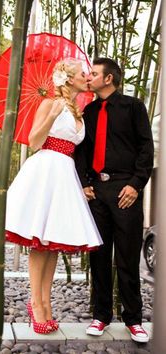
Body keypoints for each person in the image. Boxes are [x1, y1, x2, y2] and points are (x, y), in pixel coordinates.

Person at [5, 58, 103, 334]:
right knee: (40, 241)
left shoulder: (79, 110)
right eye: (82, 74)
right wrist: (50, 115)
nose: (87, 77)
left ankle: (45, 302)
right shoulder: (49, 103)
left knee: (54, 244)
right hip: (46, 169)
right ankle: (36, 302)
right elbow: (35, 141)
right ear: (69, 78)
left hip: (66, 173)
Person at [75, 57, 154, 343]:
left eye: (93, 74)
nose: (88, 78)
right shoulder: (89, 110)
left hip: (125, 190)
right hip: (97, 190)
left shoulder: (134, 107)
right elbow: (81, 150)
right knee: (98, 254)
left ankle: (134, 319)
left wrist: (136, 184)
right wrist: (84, 184)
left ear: (108, 79)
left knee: (128, 255)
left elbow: (146, 147)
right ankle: (101, 315)